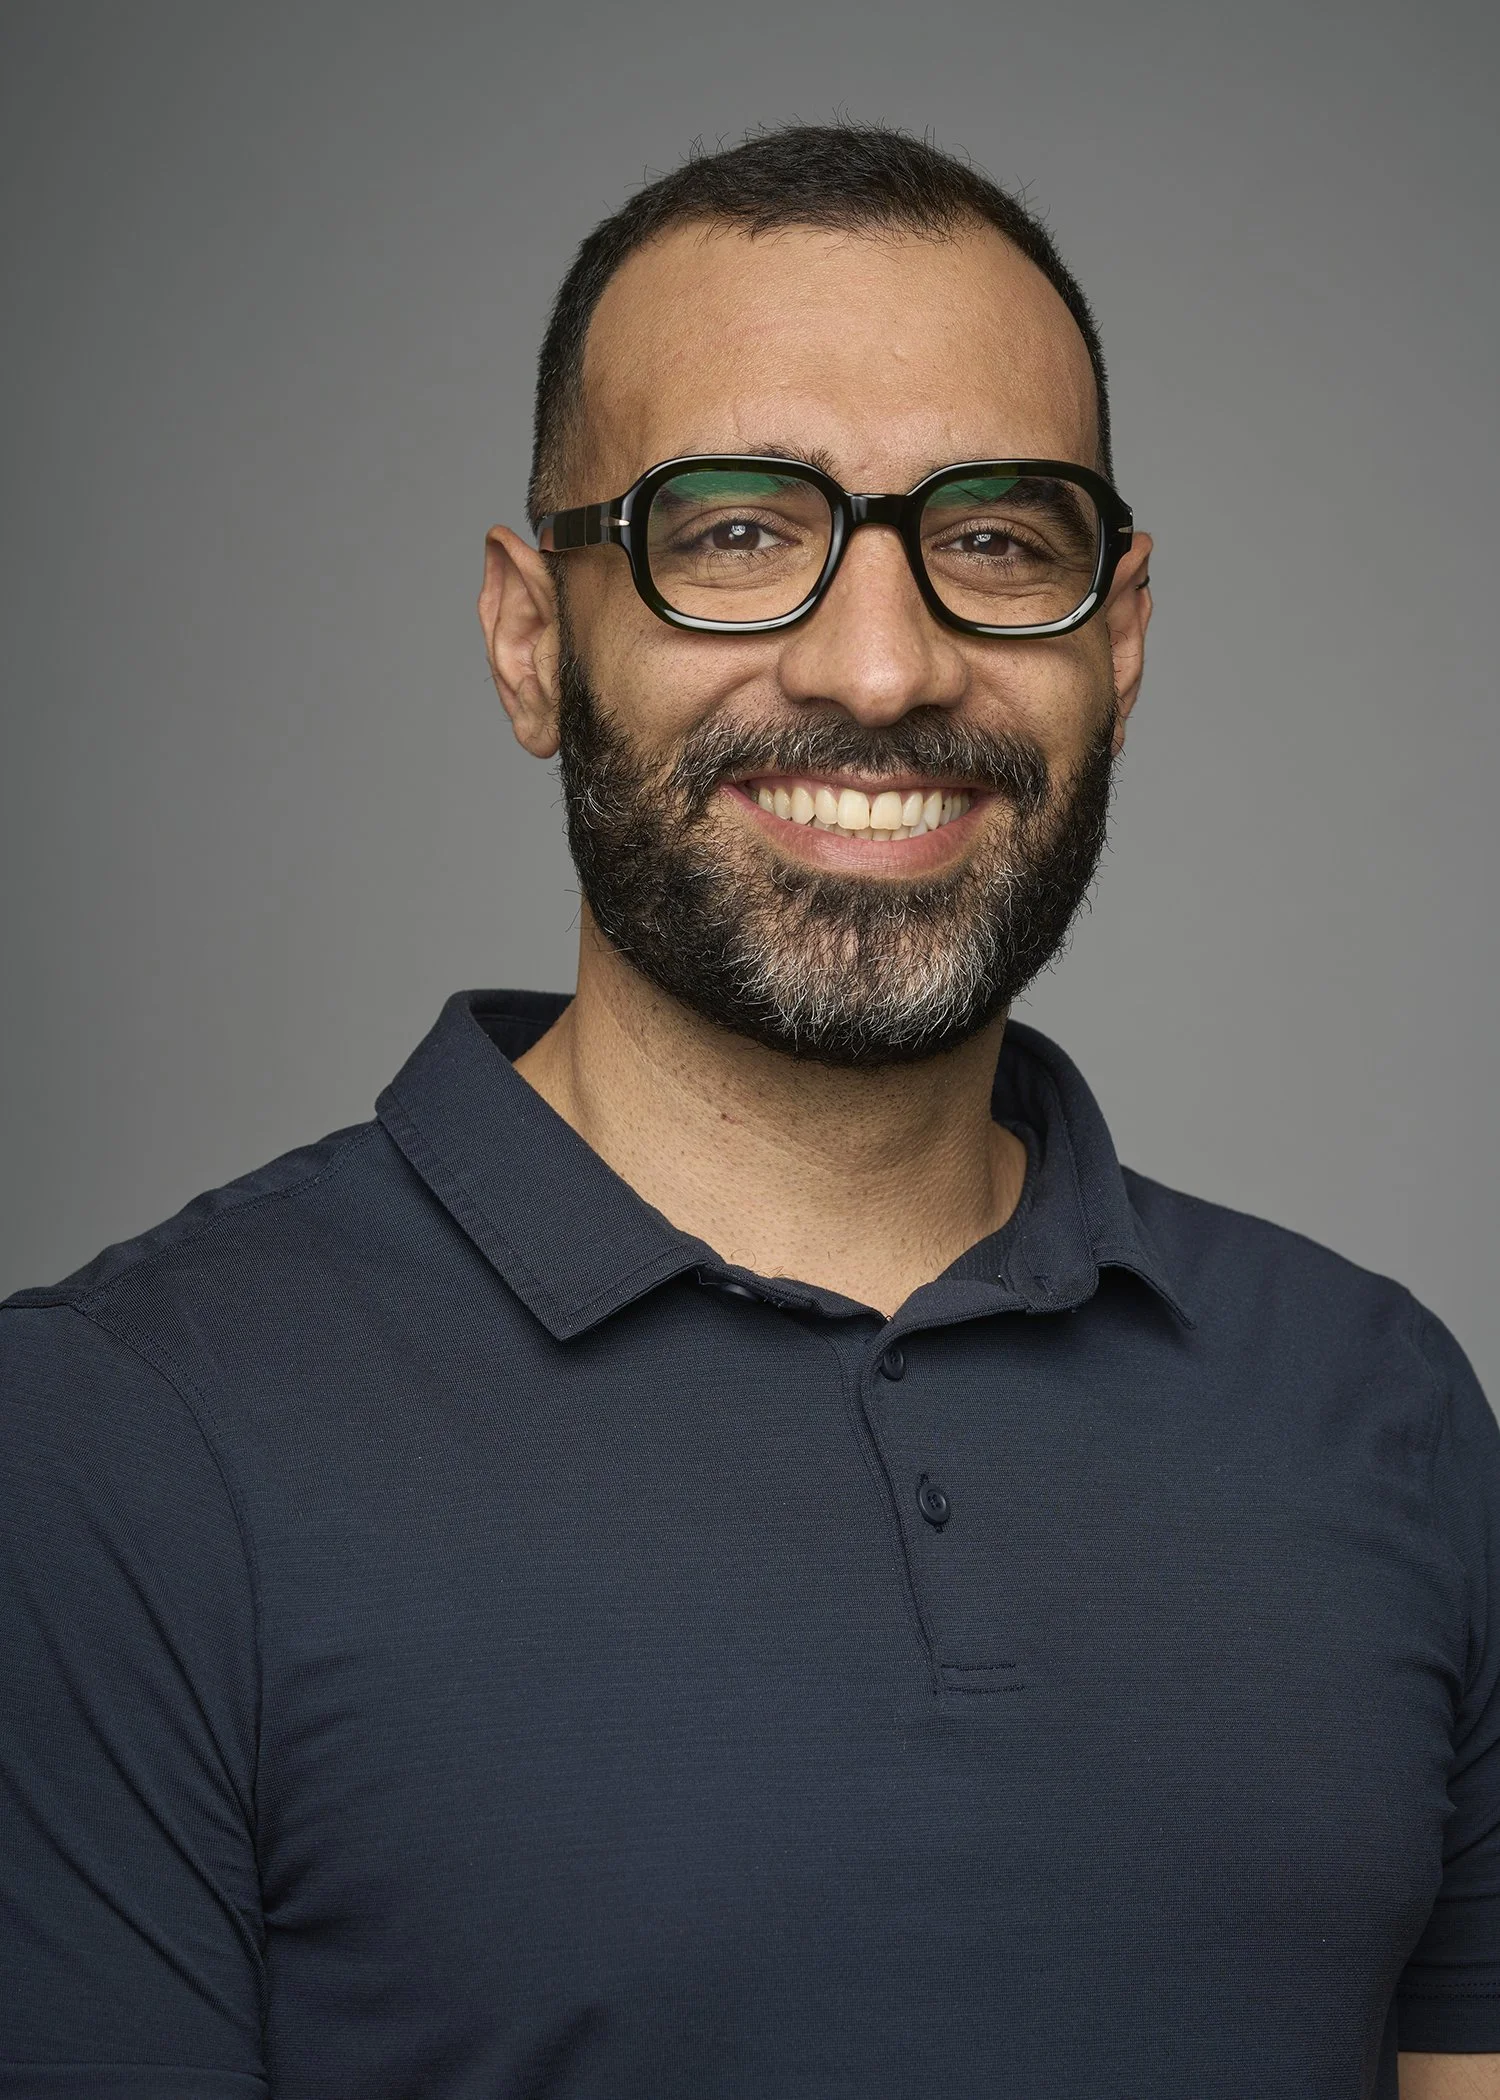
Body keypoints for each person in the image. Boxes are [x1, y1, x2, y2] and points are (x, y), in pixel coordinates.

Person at [1, 123, 1495, 2100]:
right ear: (533, 637)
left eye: (993, 538)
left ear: (1118, 645)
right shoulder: (119, 1444)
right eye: (732, 533)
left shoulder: (1380, 1406)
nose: (880, 668)